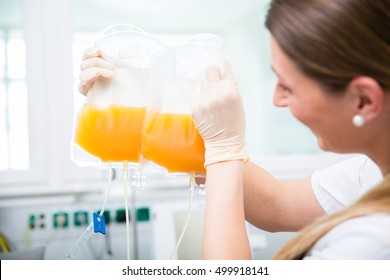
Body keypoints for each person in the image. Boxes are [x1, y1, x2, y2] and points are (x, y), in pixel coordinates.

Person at [78, 0, 390, 259]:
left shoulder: (376, 239)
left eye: (288, 86)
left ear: (363, 100)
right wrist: (139, 116)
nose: (277, 99)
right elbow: (275, 204)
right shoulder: (371, 174)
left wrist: (225, 152)